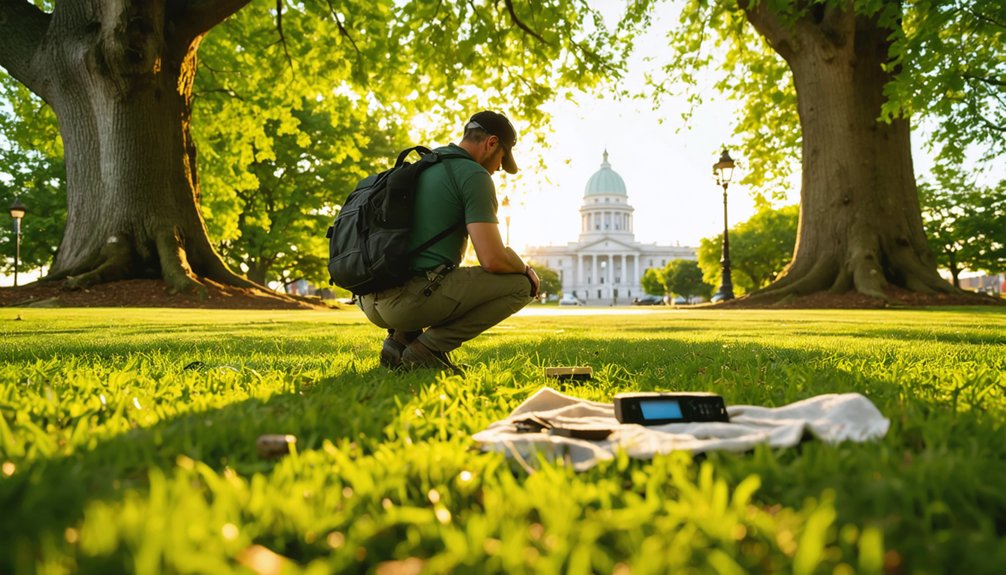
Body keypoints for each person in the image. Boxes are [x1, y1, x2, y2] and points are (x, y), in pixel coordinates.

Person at [357, 111, 540, 375]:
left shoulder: (423, 165)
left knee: (428, 269)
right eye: (502, 157)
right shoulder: (474, 176)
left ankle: (399, 342)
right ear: (491, 143)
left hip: (370, 301)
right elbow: (492, 259)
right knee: (521, 286)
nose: (500, 167)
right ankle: (427, 350)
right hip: (406, 305)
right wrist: (525, 269)